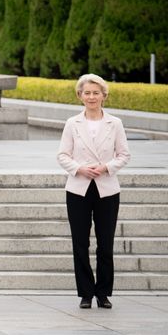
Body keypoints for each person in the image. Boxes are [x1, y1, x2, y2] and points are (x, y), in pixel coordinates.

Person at [57, 73, 130, 309]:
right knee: (80, 242)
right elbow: (62, 155)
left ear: (104, 95)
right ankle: (86, 293)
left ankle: (103, 292)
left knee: (105, 242)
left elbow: (124, 155)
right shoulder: (72, 123)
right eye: (87, 93)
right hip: (78, 188)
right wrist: (79, 169)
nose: (91, 97)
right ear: (80, 96)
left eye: (96, 93)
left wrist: (106, 167)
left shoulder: (115, 123)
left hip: (107, 189)